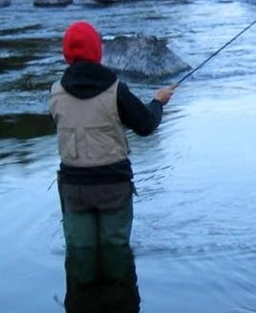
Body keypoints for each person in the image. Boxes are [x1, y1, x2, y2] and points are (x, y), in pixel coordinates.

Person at [49, 21, 176, 248]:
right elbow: (146, 125)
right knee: (116, 255)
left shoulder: (55, 92)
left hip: (73, 188)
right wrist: (158, 101)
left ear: (66, 53)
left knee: (80, 256)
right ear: (97, 52)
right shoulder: (116, 89)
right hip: (113, 186)